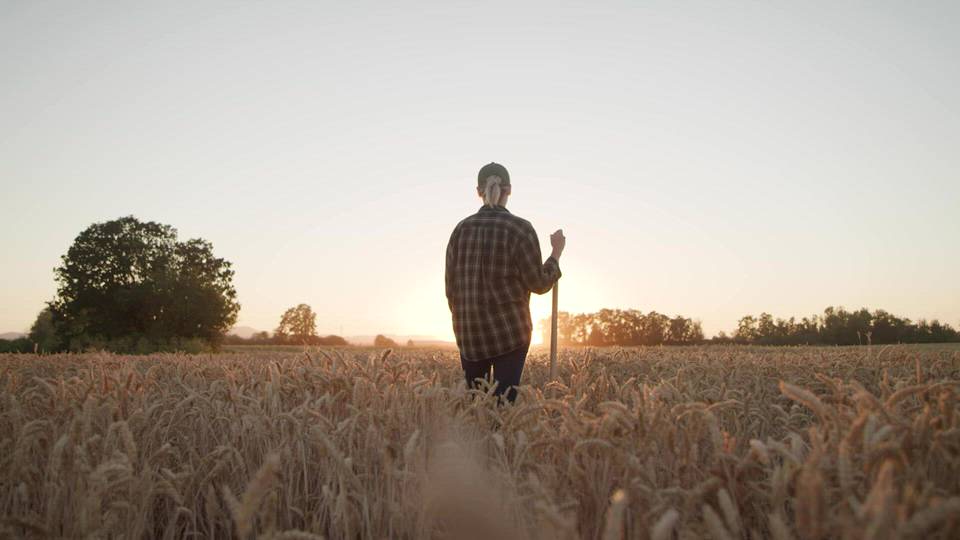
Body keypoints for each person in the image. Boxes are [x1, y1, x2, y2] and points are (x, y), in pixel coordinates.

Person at [445, 162, 565, 403]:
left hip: (469, 333)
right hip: (510, 333)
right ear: (509, 190)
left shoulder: (461, 229)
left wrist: (467, 317)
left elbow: (451, 289)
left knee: (476, 406)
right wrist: (556, 253)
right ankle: (501, 438)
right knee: (504, 407)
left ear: (478, 191)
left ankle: (476, 441)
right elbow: (539, 284)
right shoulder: (520, 229)